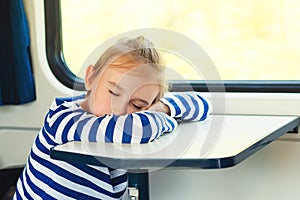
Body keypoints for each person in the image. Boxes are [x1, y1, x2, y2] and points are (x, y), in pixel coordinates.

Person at [13, 36, 211, 199]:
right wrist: (159, 116)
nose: (119, 110)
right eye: (114, 93)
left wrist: (163, 107)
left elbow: (201, 104)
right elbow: (138, 129)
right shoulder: (63, 120)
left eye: (137, 105)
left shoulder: (139, 113)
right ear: (90, 78)